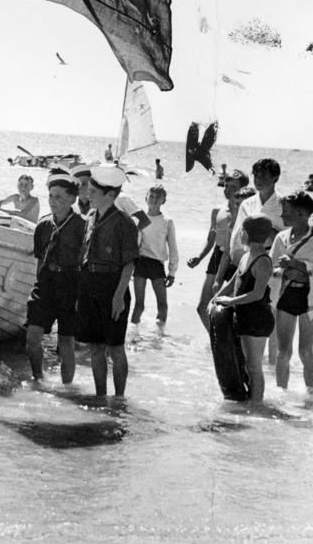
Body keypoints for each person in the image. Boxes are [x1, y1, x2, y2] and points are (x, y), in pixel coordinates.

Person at [75, 165, 138, 397]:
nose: (88, 194)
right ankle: (100, 396)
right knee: (95, 347)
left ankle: (119, 397)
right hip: (90, 284)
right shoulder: (91, 217)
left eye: (93, 191)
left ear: (110, 195)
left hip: (113, 285)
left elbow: (129, 263)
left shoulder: (124, 222)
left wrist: (119, 296)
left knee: (115, 347)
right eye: (88, 190)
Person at [25, 174, 85, 383]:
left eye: (59, 197)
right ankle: (38, 379)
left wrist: (81, 297)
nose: (53, 201)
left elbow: (85, 264)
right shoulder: (42, 226)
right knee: (32, 337)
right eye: (50, 196)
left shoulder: (82, 226)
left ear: (72, 199)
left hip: (70, 283)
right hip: (45, 283)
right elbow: (40, 260)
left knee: (66, 342)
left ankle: (67, 388)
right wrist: (38, 285)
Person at [213, 214, 275, 404]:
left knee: (254, 365)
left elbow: (257, 294)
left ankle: (257, 405)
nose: (240, 234)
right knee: (245, 364)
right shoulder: (245, 256)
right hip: (244, 317)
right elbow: (233, 282)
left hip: (258, 319)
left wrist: (231, 302)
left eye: (242, 231)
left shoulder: (263, 261)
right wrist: (215, 299)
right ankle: (249, 399)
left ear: (247, 234)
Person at [189, 170, 249, 330]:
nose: (227, 189)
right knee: (202, 307)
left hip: (236, 258)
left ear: (243, 189)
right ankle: (216, 341)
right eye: (227, 186)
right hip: (218, 254)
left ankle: (232, 344)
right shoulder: (217, 211)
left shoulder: (246, 211)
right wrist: (199, 257)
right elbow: (211, 238)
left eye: (233, 187)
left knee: (230, 309)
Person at [268, 190, 313, 391]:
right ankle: (281, 395)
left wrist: (297, 265)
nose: (282, 215)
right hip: (285, 295)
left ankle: (311, 396)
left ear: (302, 214)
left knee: (306, 351)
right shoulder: (281, 238)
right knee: (283, 351)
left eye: (286, 211)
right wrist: (287, 272)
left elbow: (306, 272)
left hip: (309, 299)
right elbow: (271, 268)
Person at [130, 184, 178, 325]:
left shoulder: (167, 221)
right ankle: (134, 334)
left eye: (158, 197)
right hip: (140, 263)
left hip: (157, 264)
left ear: (164, 201)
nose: (154, 199)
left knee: (162, 304)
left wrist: (172, 272)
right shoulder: (139, 218)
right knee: (139, 305)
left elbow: (173, 246)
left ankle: (159, 336)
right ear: (146, 198)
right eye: (151, 196)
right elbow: (133, 244)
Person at [228, 158, 284, 267]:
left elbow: (289, 240)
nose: (258, 180)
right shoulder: (247, 204)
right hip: (248, 262)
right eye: (256, 176)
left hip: (275, 266)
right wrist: (241, 264)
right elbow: (237, 239)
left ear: (275, 178)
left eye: (263, 176)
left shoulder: (284, 204)